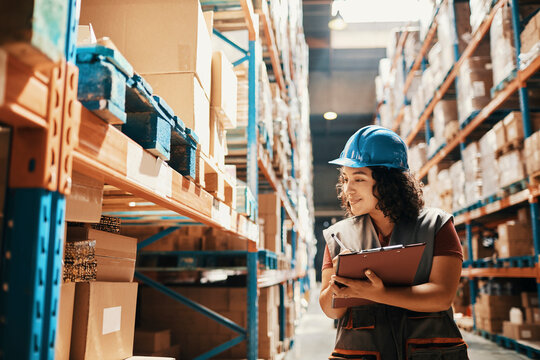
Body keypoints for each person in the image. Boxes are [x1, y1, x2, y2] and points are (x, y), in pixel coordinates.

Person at [319, 125, 468, 359]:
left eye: (358, 179)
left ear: (389, 181)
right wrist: (335, 288)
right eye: (345, 178)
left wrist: (377, 293)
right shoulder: (338, 236)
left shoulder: (436, 225)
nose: (347, 189)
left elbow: (442, 296)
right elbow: (330, 311)